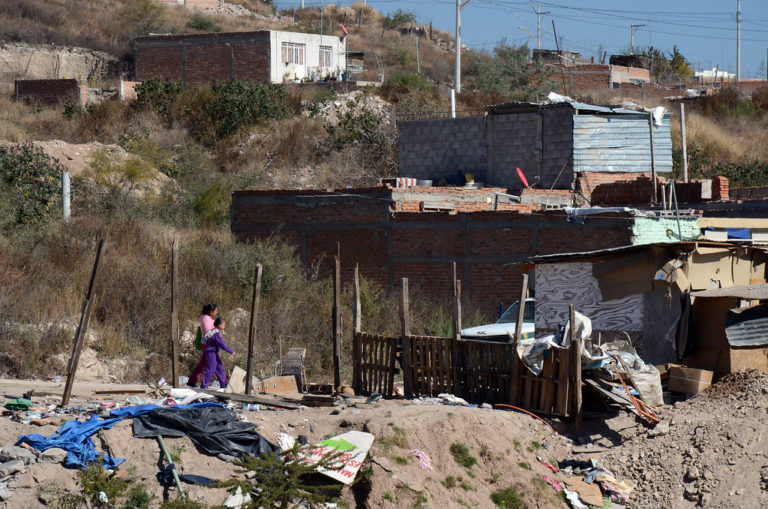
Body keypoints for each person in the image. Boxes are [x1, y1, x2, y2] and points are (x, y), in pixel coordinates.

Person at [188, 303, 218, 387]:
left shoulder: (206, 318)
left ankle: (192, 381)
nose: (217, 312)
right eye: (216, 310)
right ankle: (205, 384)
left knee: (203, 363)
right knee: (213, 364)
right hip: (209, 344)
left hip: (207, 344)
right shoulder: (206, 319)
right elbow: (209, 332)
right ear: (211, 312)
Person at [201, 317, 234, 390]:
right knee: (211, 368)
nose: (225, 325)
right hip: (211, 353)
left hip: (215, 352)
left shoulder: (215, 332)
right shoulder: (216, 333)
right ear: (219, 325)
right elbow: (222, 345)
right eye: (224, 324)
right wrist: (231, 351)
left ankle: (223, 384)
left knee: (220, 368)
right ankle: (204, 385)